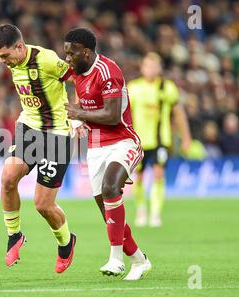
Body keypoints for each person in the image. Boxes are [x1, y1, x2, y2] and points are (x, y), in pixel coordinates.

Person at [64, 28, 151, 280]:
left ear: (86, 52)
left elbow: (112, 117)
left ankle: (116, 260)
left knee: (111, 187)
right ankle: (139, 259)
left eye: (71, 54)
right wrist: (76, 118)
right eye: (65, 53)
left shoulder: (108, 71)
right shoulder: (77, 71)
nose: (67, 59)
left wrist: (78, 114)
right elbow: (66, 87)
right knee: (108, 211)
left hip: (123, 141)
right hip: (95, 147)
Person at [0, 24, 76, 273]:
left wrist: (80, 115)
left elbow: (78, 80)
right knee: (8, 178)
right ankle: (14, 235)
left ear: (20, 46)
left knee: (43, 205)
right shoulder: (14, 63)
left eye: (5, 56)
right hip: (29, 127)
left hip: (57, 135)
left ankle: (66, 242)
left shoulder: (47, 60)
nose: (3, 62)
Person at [127, 52, 191, 227]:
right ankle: (141, 209)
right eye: (148, 66)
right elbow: (125, 115)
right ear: (142, 68)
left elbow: (178, 114)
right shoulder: (134, 88)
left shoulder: (167, 88)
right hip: (138, 141)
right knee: (138, 177)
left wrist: (186, 138)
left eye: (154, 66)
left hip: (161, 140)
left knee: (158, 174)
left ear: (160, 68)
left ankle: (155, 213)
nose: (151, 69)